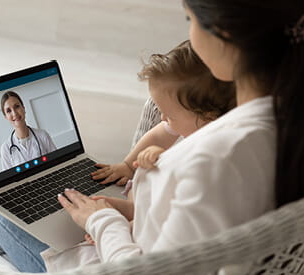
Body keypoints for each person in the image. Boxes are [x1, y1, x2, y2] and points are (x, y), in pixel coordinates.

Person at [0, 0, 304, 273]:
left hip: (101, 261)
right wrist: (119, 210)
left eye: (190, 19)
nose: (188, 32)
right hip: (120, 233)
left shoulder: (214, 159)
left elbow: (148, 270)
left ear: (225, 36)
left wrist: (101, 221)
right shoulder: (291, 121)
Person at [91, 40, 235, 192]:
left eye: (170, 117)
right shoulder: (192, 119)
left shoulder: (217, 150)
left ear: (209, 117)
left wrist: (166, 161)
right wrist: (128, 166)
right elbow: (158, 136)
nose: (162, 118)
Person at [0, 91, 57, 170]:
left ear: (23, 108)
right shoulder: (5, 149)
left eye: (17, 106)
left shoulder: (43, 135)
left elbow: (57, 163)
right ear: (6, 117)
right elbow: (9, 180)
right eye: (9, 111)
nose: (14, 113)